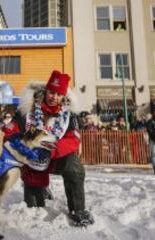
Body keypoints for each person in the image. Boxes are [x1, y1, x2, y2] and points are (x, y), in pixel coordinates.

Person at [9, 70, 94, 227]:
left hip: (57, 158)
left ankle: (78, 210)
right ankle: (41, 189)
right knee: (33, 208)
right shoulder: (27, 110)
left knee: (75, 168)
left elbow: (73, 139)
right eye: (51, 92)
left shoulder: (70, 115)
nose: (54, 97)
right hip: (32, 160)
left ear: (63, 96)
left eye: (58, 94)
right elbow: (12, 129)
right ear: (45, 91)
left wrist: (52, 149)